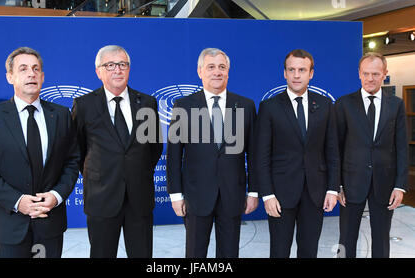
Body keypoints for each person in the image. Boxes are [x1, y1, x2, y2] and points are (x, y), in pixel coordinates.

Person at [0, 47, 80, 258]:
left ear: (42, 76)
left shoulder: (61, 115)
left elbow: (72, 162)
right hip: (10, 225)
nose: (31, 73)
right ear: (10, 77)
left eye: (35, 69)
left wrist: (56, 196)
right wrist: (17, 201)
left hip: (51, 222)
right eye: (23, 69)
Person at [72, 45, 162, 258]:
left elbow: (154, 147)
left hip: (139, 197)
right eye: (110, 65)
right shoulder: (84, 105)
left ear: (129, 69)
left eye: (122, 65)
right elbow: (77, 149)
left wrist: (135, 171)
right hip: (101, 197)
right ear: (98, 71)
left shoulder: (147, 102)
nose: (117, 70)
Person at [166, 48, 258, 258]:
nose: (217, 72)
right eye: (211, 67)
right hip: (196, 196)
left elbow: (254, 154)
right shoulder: (183, 105)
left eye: (222, 67)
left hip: (232, 195)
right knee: (195, 254)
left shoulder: (245, 105)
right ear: (200, 72)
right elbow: (173, 155)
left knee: (229, 254)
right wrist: (175, 195)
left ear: (228, 71)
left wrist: (253, 192)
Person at [254, 49, 339, 258]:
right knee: (279, 251)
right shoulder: (269, 107)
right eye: (291, 70)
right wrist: (268, 195)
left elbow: (332, 150)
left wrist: (332, 189)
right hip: (280, 194)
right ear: (284, 73)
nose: (296, 75)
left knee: (309, 250)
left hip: (315, 193)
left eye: (302, 70)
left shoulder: (325, 105)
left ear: (311, 73)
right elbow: (261, 155)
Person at [335, 52, 408, 258]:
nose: (370, 78)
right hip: (350, 184)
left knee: (381, 239)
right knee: (346, 239)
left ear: (385, 74)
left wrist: (400, 185)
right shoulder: (344, 104)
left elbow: (401, 147)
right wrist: (337, 185)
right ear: (359, 73)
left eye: (375, 73)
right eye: (365, 73)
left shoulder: (396, 105)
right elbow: (336, 148)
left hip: (385, 184)